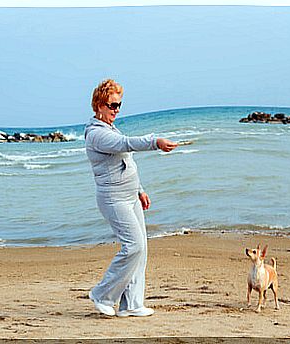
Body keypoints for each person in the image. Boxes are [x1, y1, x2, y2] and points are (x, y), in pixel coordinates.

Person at [84, 79, 178, 317]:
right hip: (113, 199)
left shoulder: (111, 128)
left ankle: (132, 304)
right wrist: (155, 142)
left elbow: (126, 161)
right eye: (111, 105)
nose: (116, 110)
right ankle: (102, 295)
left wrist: (140, 189)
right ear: (98, 105)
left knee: (141, 248)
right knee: (133, 246)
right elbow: (125, 144)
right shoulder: (96, 134)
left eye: (119, 105)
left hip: (130, 195)